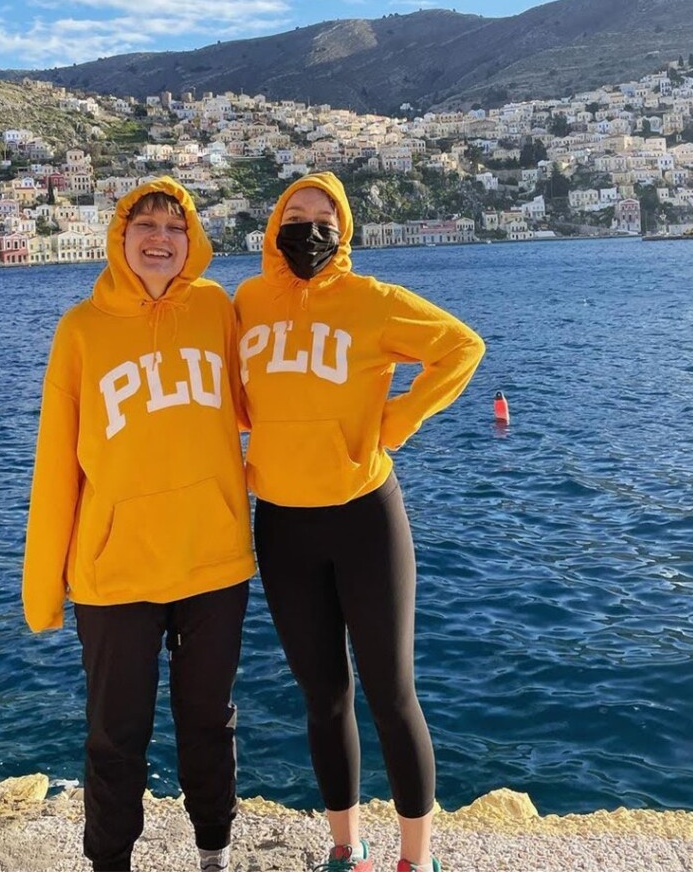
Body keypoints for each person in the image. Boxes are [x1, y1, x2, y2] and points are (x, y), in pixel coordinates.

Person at [234, 172, 485, 872]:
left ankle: (417, 859)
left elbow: (462, 347)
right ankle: (346, 848)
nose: (309, 228)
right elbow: (232, 393)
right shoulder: (248, 302)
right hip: (282, 525)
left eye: (324, 218)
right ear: (273, 225)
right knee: (323, 697)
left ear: (343, 234)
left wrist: (395, 420)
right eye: (295, 213)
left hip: (364, 518)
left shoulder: (372, 302)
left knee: (391, 693)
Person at [22, 177, 255, 872]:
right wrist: (43, 590)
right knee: (115, 737)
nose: (160, 237)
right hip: (113, 574)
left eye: (175, 226)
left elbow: (270, 398)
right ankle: (110, 864)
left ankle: (213, 851)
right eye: (144, 223)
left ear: (193, 241)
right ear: (119, 237)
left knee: (209, 724)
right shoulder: (81, 331)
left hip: (213, 561)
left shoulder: (217, 309)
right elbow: (56, 467)